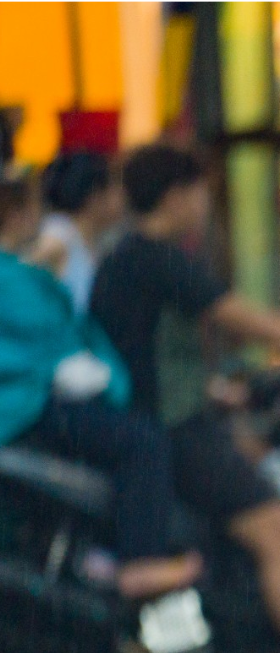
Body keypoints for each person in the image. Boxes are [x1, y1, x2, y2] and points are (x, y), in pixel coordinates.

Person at [91, 144, 280, 653]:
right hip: (176, 430)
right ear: (176, 195)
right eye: (200, 194)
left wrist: (217, 391)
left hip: (162, 418)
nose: (205, 207)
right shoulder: (159, 260)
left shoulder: (120, 260)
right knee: (276, 529)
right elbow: (235, 315)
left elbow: (142, 354)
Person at [0, 170, 201, 599]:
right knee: (142, 440)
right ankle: (140, 562)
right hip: (25, 405)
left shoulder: (29, 266)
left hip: (31, 401)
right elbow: (47, 340)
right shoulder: (21, 272)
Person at [29, 151, 120, 313]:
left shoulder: (93, 240)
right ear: (95, 196)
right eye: (114, 188)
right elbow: (21, 275)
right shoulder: (59, 233)